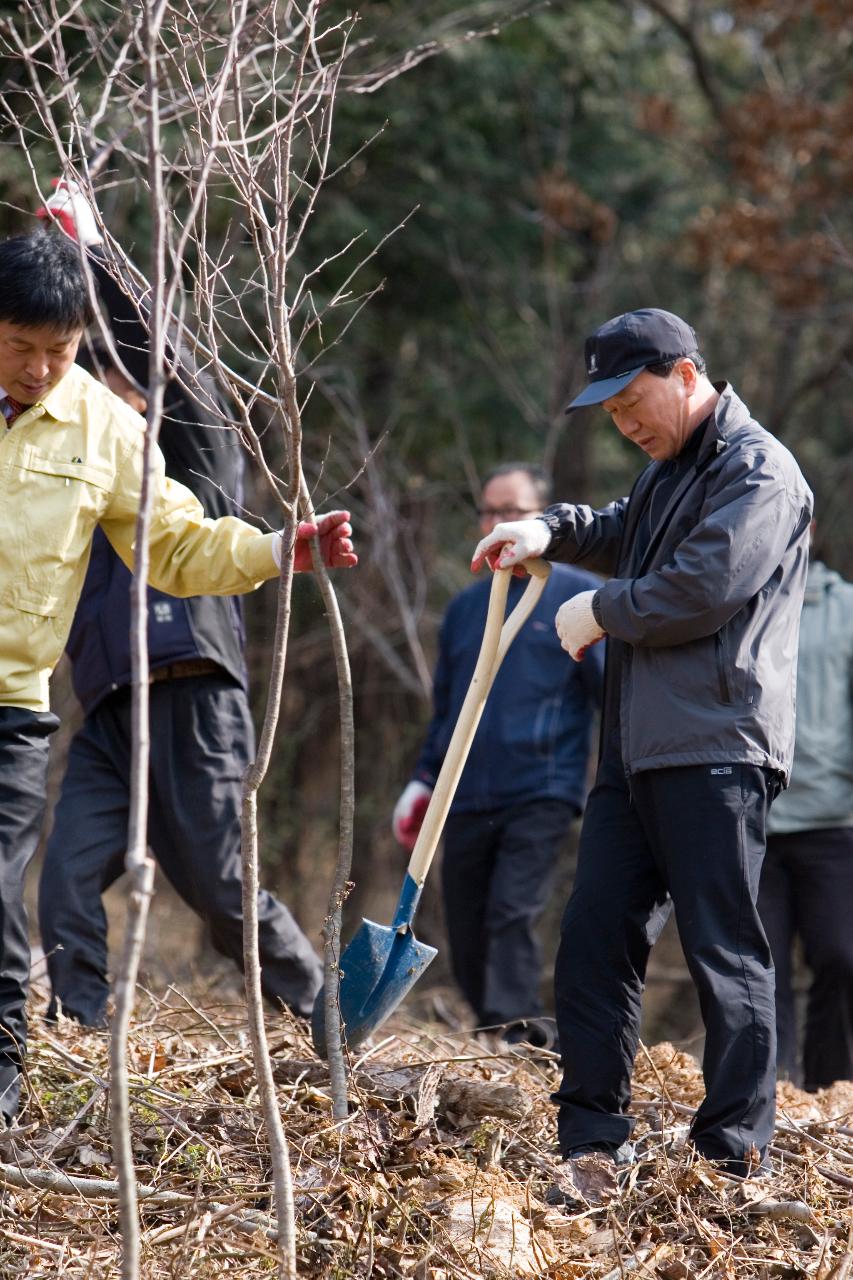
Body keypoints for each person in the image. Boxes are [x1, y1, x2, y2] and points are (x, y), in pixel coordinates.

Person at [0, 226, 356, 1123]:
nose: (44, 369)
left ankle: (316, 1002)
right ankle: (78, 1022)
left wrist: (282, 549)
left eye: (63, 350)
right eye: (21, 348)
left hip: (123, 698)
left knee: (198, 873)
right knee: (64, 882)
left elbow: (184, 538)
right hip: (111, 705)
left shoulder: (129, 435)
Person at [472, 308, 812, 1179]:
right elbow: (623, 526)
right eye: (609, 411)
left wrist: (596, 611)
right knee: (592, 938)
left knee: (721, 948)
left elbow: (703, 587)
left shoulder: (759, 472)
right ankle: (590, 1139)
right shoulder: (668, 473)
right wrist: (549, 531)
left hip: (718, 747)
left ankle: (733, 1155)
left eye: (632, 401)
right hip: (632, 749)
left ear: (686, 374)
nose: (624, 423)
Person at [392, 464, 603, 1048]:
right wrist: (422, 780)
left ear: (540, 514)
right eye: (488, 511)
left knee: (511, 911)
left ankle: (517, 1034)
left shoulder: (577, 594)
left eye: (511, 510)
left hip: (542, 788)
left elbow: (608, 694)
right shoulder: (465, 609)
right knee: (465, 922)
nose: (497, 522)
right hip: (462, 792)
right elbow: (446, 711)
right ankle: (491, 1031)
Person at [758, 535, 853, 1091]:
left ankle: (832, 1091)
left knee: (841, 957)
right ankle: (772, 1092)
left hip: (833, 819)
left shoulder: (844, 610)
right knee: (759, 971)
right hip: (751, 818)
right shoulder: (729, 599)